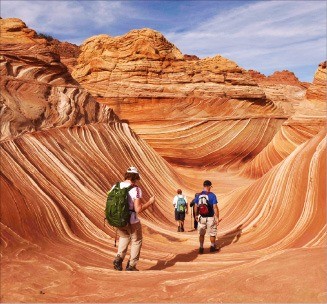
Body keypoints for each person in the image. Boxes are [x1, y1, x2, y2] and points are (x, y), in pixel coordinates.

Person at [112, 166, 155, 271]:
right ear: (136, 177)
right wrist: (150, 202)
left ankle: (118, 258)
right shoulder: (135, 189)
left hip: (118, 219)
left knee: (124, 237)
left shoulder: (116, 186)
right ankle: (131, 265)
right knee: (136, 240)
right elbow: (138, 209)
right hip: (132, 220)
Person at [194, 180, 220, 254]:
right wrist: (217, 217)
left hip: (201, 217)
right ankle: (212, 247)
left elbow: (196, 206)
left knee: (201, 234)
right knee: (212, 233)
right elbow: (215, 207)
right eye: (210, 187)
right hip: (210, 218)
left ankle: (201, 248)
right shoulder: (212, 195)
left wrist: (196, 215)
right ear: (209, 186)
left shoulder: (198, 195)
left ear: (203, 186)